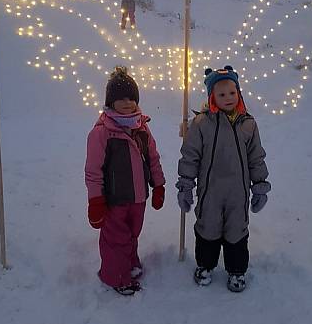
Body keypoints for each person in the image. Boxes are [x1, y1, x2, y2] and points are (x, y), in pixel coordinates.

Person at [176, 65, 270, 293]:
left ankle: (237, 270)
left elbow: (256, 157)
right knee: (208, 228)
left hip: (238, 192)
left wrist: (259, 186)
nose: (228, 98)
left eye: (232, 92)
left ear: (238, 93)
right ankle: (205, 266)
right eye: (221, 94)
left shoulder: (248, 123)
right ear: (212, 97)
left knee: (237, 230)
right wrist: (186, 186)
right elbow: (190, 157)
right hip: (210, 191)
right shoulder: (202, 124)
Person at [85, 66, 165, 295]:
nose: (128, 102)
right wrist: (96, 200)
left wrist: (158, 185)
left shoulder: (141, 127)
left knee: (132, 234)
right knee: (115, 239)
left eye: (132, 98)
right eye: (121, 99)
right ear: (110, 102)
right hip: (114, 200)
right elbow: (93, 170)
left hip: (138, 198)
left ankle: (129, 266)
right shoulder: (102, 133)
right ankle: (116, 276)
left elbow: (153, 158)